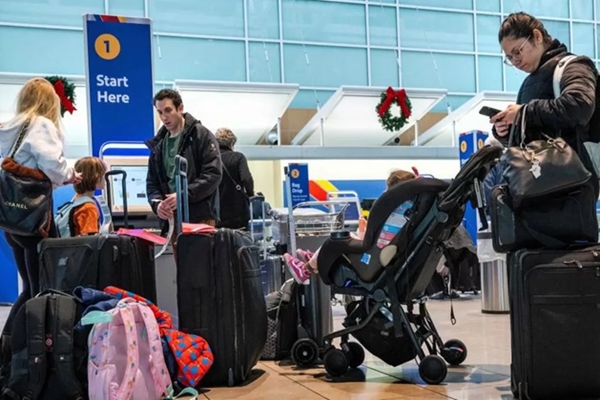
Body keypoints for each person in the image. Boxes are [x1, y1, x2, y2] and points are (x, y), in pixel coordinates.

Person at [0, 78, 81, 357]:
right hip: (35, 221)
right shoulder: (41, 125)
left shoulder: (7, 127)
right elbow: (54, 167)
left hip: (12, 220)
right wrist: (72, 175)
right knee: (42, 291)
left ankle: (10, 347)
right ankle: (27, 352)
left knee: (29, 288)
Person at [490, 12, 599, 198]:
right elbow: (530, 140)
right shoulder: (528, 83)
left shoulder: (573, 66)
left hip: (573, 187)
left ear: (537, 37)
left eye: (517, 52)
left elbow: (579, 106)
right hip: (537, 186)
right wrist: (507, 130)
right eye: (509, 58)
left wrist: (524, 112)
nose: (515, 61)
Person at [283, 169, 414, 284]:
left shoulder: (388, 208)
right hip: (385, 256)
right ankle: (316, 259)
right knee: (349, 237)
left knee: (339, 238)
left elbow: (370, 242)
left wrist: (362, 231)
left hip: (373, 261)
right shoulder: (408, 210)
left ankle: (306, 269)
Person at [146, 89, 222, 239]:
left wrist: (183, 195)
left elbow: (213, 174)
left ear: (180, 108)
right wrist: (157, 204)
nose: (164, 117)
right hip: (172, 218)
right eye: (160, 112)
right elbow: (152, 183)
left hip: (199, 216)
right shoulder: (159, 145)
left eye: (168, 110)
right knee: (179, 262)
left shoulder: (201, 135)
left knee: (199, 261)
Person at [214, 128, 255, 229]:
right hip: (238, 211)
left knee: (220, 240)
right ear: (232, 143)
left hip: (217, 211)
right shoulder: (238, 157)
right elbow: (246, 178)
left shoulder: (212, 159)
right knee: (240, 241)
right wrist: (250, 194)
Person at [68, 157, 107, 236]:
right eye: (103, 175)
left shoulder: (77, 199)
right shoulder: (88, 207)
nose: (104, 179)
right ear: (95, 177)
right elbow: (90, 241)